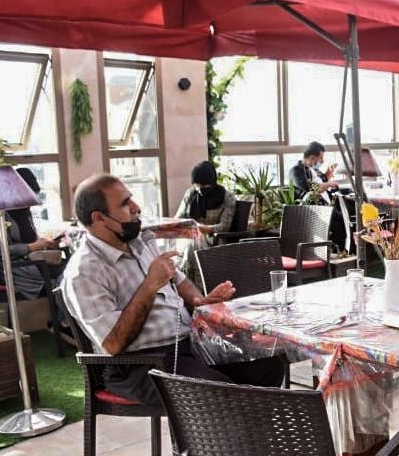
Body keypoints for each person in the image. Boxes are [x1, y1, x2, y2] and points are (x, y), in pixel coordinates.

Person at [61, 174, 284, 406]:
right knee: (219, 393)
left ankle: (247, 426)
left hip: (188, 345)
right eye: (125, 204)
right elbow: (113, 343)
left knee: (266, 365)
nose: (136, 207)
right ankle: (226, 426)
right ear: (99, 218)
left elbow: (179, 280)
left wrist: (201, 302)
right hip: (138, 365)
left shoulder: (140, 243)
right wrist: (149, 286)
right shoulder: (84, 271)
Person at [0, 167, 60, 299]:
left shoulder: (23, 210)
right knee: (64, 277)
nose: (30, 202)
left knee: (69, 269)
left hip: (33, 261)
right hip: (15, 270)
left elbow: (31, 237)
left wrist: (45, 244)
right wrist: (31, 247)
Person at [174, 161, 236, 246]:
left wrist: (203, 228)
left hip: (214, 238)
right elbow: (179, 218)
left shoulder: (227, 196)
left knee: (193, 243)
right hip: (191, 235)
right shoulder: (191, 193)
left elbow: (224, 226)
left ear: (211, 182)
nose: (199, 189)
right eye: (197, 185)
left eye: (203, 186)